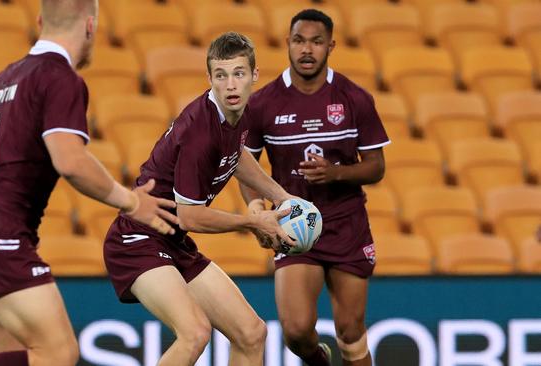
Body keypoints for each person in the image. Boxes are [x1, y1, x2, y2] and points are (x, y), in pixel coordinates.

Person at [0, 1, 179, 365]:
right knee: (59, 355)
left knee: (17, 357)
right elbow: (70, 161)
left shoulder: (1, 80)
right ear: (90, 26)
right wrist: (132, 202)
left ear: (40, 21)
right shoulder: (60, 78)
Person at [103, 32, 297, 366]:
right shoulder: (200, 133)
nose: (231, 85)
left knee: (252, 333)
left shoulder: (243, 112)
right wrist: (252, 222)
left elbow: (235, 155)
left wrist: (282, 196)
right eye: (221, 76)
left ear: (254, 75)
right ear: (209, 79)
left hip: (173, 241)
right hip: (137, 239)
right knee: (194, 333)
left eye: (238, 73)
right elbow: (190, 216)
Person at [240, 9, 391, 366]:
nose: (307, 49)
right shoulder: (263, 103)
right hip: (294, 223)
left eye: (316, 42)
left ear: (331, 46)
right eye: (299, 41)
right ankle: (318, 360)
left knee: (351, 332)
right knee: (295, 330)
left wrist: (335, 173)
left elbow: (377, 167)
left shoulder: (355, 98)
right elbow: (245, 168)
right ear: (287, 44)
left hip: (346, 223)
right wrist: (256, 209)